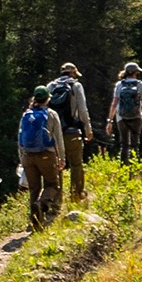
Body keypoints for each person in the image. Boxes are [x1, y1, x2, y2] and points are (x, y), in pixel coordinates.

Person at [17, 85, 65, 230]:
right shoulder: (51, 114)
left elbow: (20, 138)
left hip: (27, 156)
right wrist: (61, 157)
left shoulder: (26, 114)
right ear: (48, 98)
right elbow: (58, 138)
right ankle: (42, 204)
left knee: (34, 188)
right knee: (52, 185)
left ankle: (34, 222)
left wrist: (22, 158)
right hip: (46, 154)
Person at [47, 63, 94, 202]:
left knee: (57, 165)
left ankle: (57, 197)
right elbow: (83, 110)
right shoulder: (76, 86)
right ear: (73, 73)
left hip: (54, 133)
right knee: (76, 164)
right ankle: (76, 194)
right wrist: (88, 129)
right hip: (72, 131)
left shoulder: (51, 86)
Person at [107, 62, 142, 162]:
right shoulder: (140, 84)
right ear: (135, 73)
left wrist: (110, 121)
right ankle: (134, 168)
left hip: (121, 117)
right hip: (137, 117)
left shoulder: (119, 85)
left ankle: (123, 168)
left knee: (124, 144)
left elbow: (114, 103)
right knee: (135, 144)